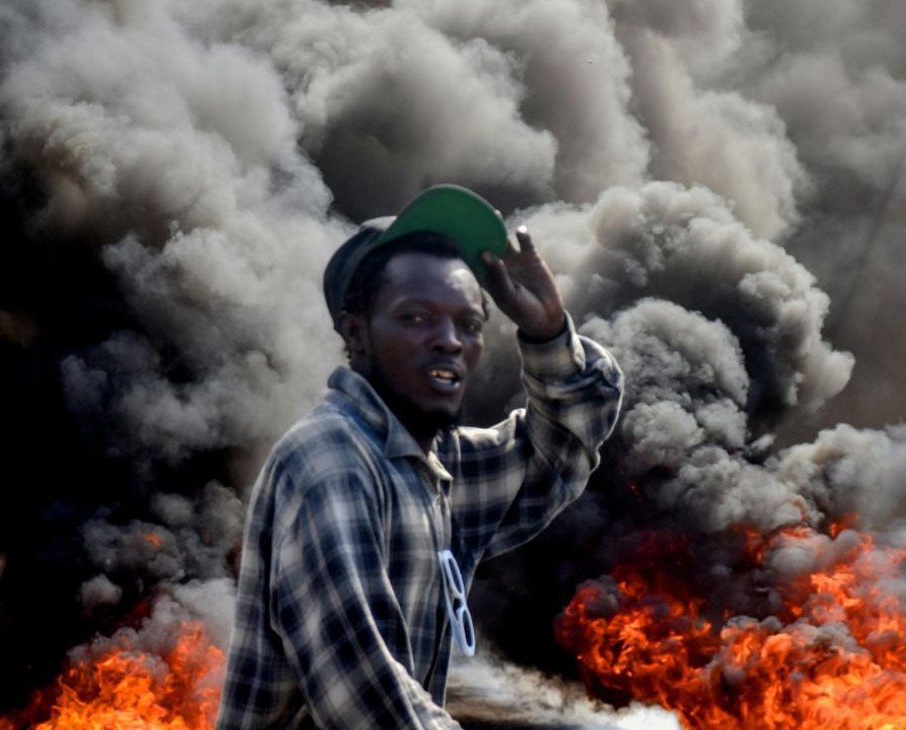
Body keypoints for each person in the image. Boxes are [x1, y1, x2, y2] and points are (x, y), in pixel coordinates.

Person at [216, 184, 624, 729]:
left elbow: (564, 447)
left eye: (469, 324)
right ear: (356, 333)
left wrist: (547, 331)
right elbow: (363, 695)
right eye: (415, 318)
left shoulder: (437, 468)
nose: (449, 340)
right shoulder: (329, 463)